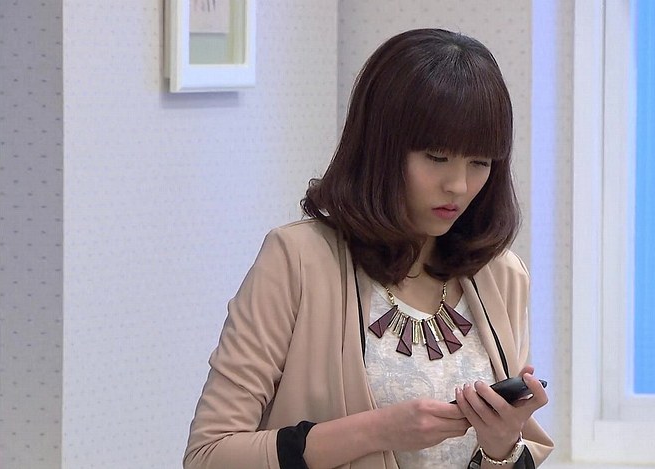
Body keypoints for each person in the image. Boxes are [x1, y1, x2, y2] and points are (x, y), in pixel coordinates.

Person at [184, 28, 554, 469]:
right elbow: (209, 455)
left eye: (479, 162)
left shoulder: (503, 276)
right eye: (436, 157)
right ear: (380, 148)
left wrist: (500, 447)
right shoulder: (297, 259)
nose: (458, 185)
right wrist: (376, 431)